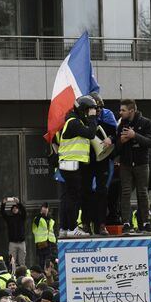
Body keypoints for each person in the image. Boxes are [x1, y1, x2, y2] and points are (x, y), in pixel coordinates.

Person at [54, 95, 98, 237]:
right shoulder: (74, 123)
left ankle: (65, 228)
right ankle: (72, 228)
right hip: (71, 163)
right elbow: (91, 134)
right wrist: (92, 119)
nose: (89, 113)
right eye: (88, 111)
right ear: (82, 110)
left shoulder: (72, 121)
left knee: (68, 196)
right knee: (73, 196)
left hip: (68, 163)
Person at [116, 99, 151, 234]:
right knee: (125, 192)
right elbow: (116, 147)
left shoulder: (146, 122)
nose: (120, 112)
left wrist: (135, 135)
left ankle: (145, 222)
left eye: (123, 110)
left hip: (141, 163)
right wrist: (121, 141)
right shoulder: (121, 124)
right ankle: (127, 223)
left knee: (143, 193)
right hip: (126, 164)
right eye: (120, 110)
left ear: (131, 111)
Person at [80, 92, 117, 236]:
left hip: (103, 157)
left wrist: (111, 139)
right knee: (85, 192)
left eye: (100, 108)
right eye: (96, 108)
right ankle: (86, 223)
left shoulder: (107, 115)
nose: (99, 111)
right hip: (86, 158)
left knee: (102, 192)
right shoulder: (81, 116)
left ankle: (101, 225)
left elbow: (116, 132)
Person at [0, 197, 27, 265]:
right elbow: (2, 213)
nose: (15, 209)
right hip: (12, 243)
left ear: (18, 209)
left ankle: (22, 274)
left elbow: (24, 211)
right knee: (12, 261)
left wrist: (18, 203)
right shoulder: (9, 218)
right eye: (13, 209)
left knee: (22, 261)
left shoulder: (22, 217)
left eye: (16, 208)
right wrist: (3, 203)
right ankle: (12, 273)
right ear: (12, 210)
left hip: (21, 242)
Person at [32, 203, 57, 268]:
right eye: (44, 208)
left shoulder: (51, 219)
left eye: (46, 208)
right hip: (42, 242)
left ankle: (50, 274)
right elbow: (36, 221)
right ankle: (43, 274)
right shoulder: (37, 218)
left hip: (51, 242)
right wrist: (41, 213)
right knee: (42, 261)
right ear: (41, 209)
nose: (45, 209)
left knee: (51, 260)